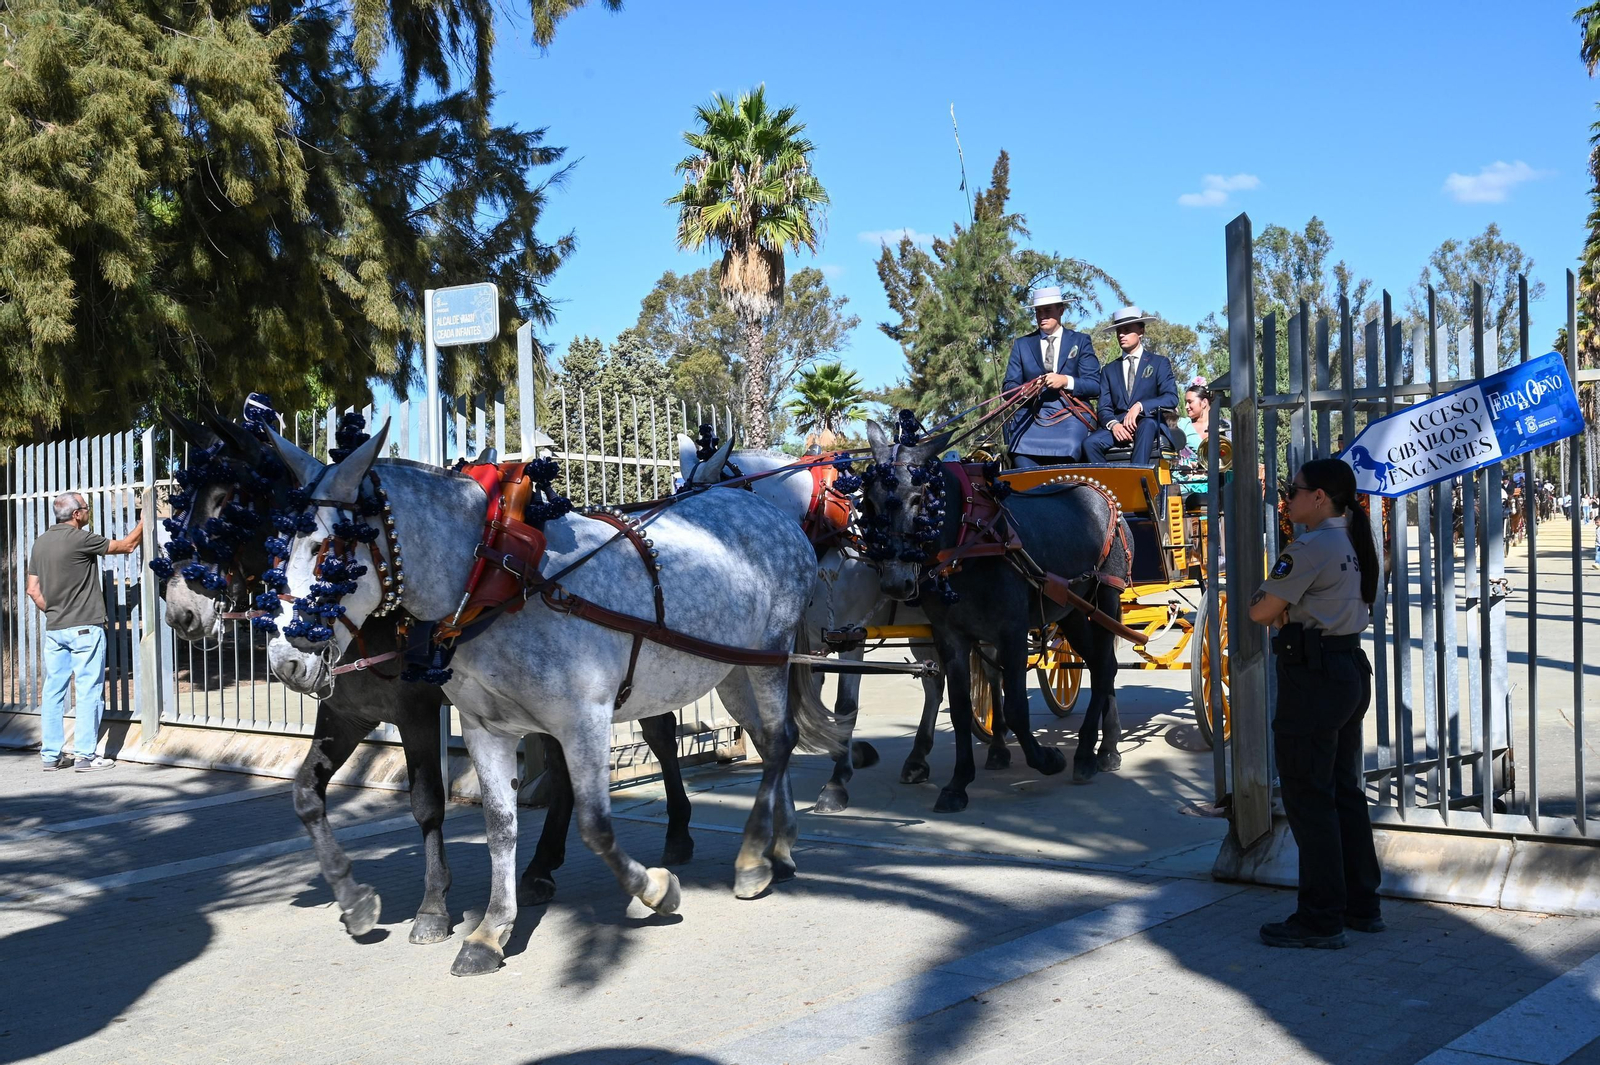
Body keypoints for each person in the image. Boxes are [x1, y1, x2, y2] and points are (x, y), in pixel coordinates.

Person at [1248, 458, 1381, 950]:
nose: (1287, 499)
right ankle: (1362, 904)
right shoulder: (1353, 539)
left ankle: (1321, 917)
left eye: (1294, 490)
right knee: (1344, 792)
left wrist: (1275, 610)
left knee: (1310, 799)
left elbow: (1260, 610)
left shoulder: (1309, 546)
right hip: (1346, 669)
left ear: (1319, 497)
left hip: (1314, 679)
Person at [26, 492, 144, 772]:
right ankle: (85, 756)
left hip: (55, 629)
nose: (88, 511)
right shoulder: (81, 538)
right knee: (89, 690)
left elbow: (33, 590)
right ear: (77, 514)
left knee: (54, 692)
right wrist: (143, 523)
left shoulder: (40, 543)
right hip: (85, 628)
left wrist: (55, 611)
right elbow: (127, 546)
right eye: (86, 507)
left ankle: (51, 756)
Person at [1002, 285, 1102, 466]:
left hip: (1070, 414)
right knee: (1019, 452)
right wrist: (1026, 390)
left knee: (1069, 447)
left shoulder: (1080, 341)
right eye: (1038, 311)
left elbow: (1095, 385)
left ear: (1061, 311)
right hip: (1032, 417)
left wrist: (1065, 381)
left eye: (1047, 310)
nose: (1042, 316)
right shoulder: (1022, 345)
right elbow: (1008, 387)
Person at [1084, 305, 1179, 465]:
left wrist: (1140, 406)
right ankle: (1107, 487)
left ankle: (1135, 481)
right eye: (1119, 331)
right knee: (1089, 443)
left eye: (1127, 330)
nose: (1121, 335)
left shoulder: (1159, 363)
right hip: (1119, 426)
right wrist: (1114, 425)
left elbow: (1171, 398)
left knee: (1147, 424)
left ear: (1141, 331)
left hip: (1148, 422)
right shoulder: (1108, 370)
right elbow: (1104, 408)